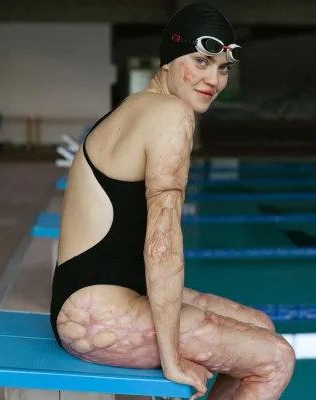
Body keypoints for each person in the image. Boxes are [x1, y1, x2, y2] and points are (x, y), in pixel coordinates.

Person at [50, 3, 295, 400]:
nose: (213, 79)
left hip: (91, 300)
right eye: (201, 62)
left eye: (222, 68)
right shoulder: (170, 115)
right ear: (168, 61)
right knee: (276, 359)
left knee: (260, 325)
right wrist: (171, 357)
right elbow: (163, 244)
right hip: (99, 317)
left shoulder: (135, 106)